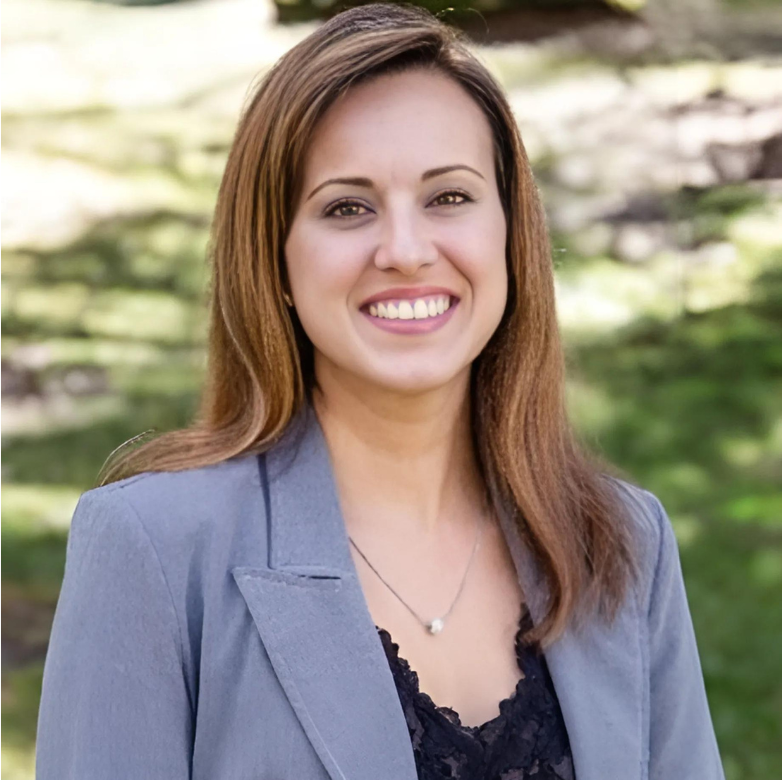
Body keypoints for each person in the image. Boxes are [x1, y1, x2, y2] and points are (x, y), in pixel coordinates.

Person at [34, 3, 725, 779]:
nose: (405, 250)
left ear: (510, 233)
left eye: (449, 197)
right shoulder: (153, 551)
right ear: (277, 261)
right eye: (347, 208)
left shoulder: (624, 544)